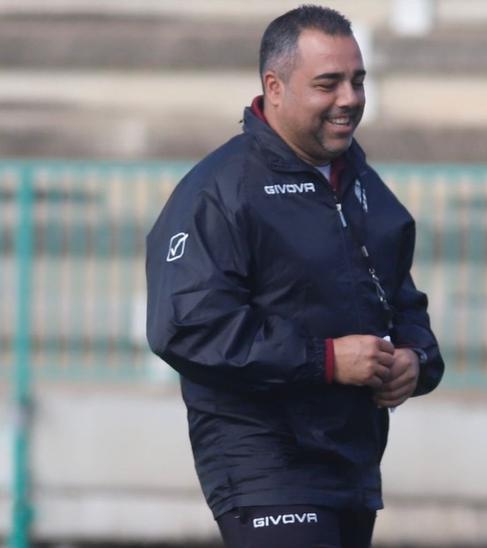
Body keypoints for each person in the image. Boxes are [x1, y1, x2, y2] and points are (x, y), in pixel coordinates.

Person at [144, 6, 443, 547]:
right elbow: (185, 327)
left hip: (352, 464)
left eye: (358, 81)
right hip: (264, 461)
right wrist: (326, 360)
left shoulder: (363, 184)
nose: (349, 98)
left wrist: (415, 361)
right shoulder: (219, 190)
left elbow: (400, 301)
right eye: (328, 83)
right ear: (274, 87)